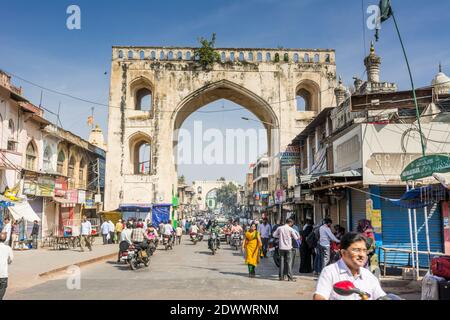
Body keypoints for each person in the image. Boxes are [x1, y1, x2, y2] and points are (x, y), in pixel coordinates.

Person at [313, 232, 386, 300]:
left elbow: (381, 296)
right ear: (343, 253)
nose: (362, 255)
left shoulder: (368, 275)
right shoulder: (330, 272)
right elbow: (319, 296)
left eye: (364, 250)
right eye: (356, 250)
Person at [0, 232, 13, 300]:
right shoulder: (8, 248)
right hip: (3, 273)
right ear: (5, 240)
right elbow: (11, 259)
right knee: (3, 287)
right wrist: (7, 262)